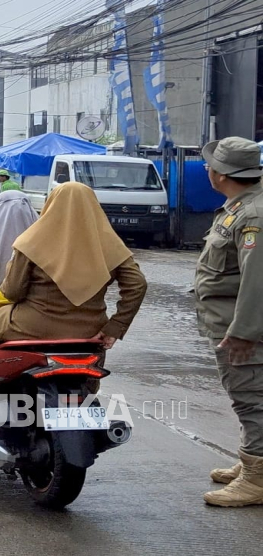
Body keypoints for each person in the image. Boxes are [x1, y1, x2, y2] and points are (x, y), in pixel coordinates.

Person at [0, 181, 148, 470]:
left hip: (30, 325)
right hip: (88, 333)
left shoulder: (34, 240)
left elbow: (13, 293)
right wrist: (114, 328)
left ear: (51, 205)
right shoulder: (110, 243)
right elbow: (137, 285)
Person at [195, 136, 263, 508]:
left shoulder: (253, 214)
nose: (207, 169)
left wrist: (243, 333)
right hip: (234, 321)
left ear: (220, 174)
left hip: (244, 328)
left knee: (251, 398)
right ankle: (252, 460)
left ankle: (257, 477)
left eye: (210, 165)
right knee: (250, 396)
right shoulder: (242, 205)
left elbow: (258, 280)